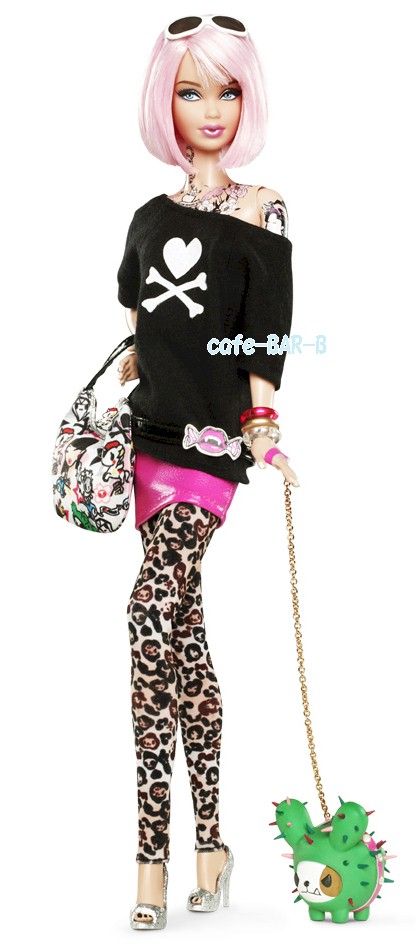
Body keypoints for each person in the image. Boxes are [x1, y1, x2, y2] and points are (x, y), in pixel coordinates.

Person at [116, 14, 299, 930]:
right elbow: (140, 312)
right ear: (167, 103)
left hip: (211, 451)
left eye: (227, 89)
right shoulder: (149, 218)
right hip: (148, 445)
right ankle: (211, 846)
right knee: (182, 639)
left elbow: (265, 332)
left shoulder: (264, 209)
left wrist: (263, 426)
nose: (212, 109)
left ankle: (147, 863)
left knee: (147, 612)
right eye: (192, 90)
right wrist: (135, 362)